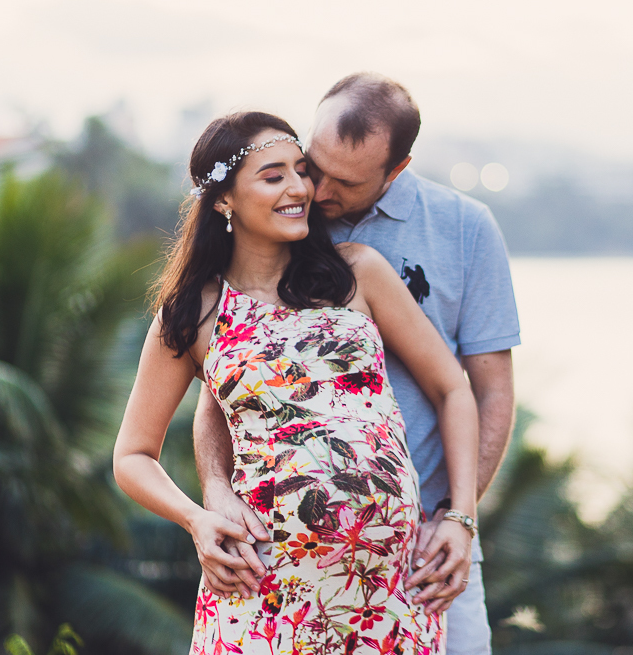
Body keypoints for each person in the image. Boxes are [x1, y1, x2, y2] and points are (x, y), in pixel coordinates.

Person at [113, 110, 481, 654]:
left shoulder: (358, 273)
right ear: (223, 200)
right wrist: (197, 519)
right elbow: (132, 455)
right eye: (273, 175)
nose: (299, 188)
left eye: (300, 170)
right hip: (267, 591)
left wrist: (460, 518)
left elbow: (454, 390)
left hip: (389, 597)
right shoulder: (193, 313)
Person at [194, 75, 519, 655]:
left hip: (423, 554)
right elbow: (224, 387)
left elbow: (483, 392)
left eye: (342, 181)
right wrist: (216, 492)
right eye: (312, 165)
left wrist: (457, 519)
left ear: (396, 170)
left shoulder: (465, 230)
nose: (314, 192)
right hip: (290, 563)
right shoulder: (284, 219)